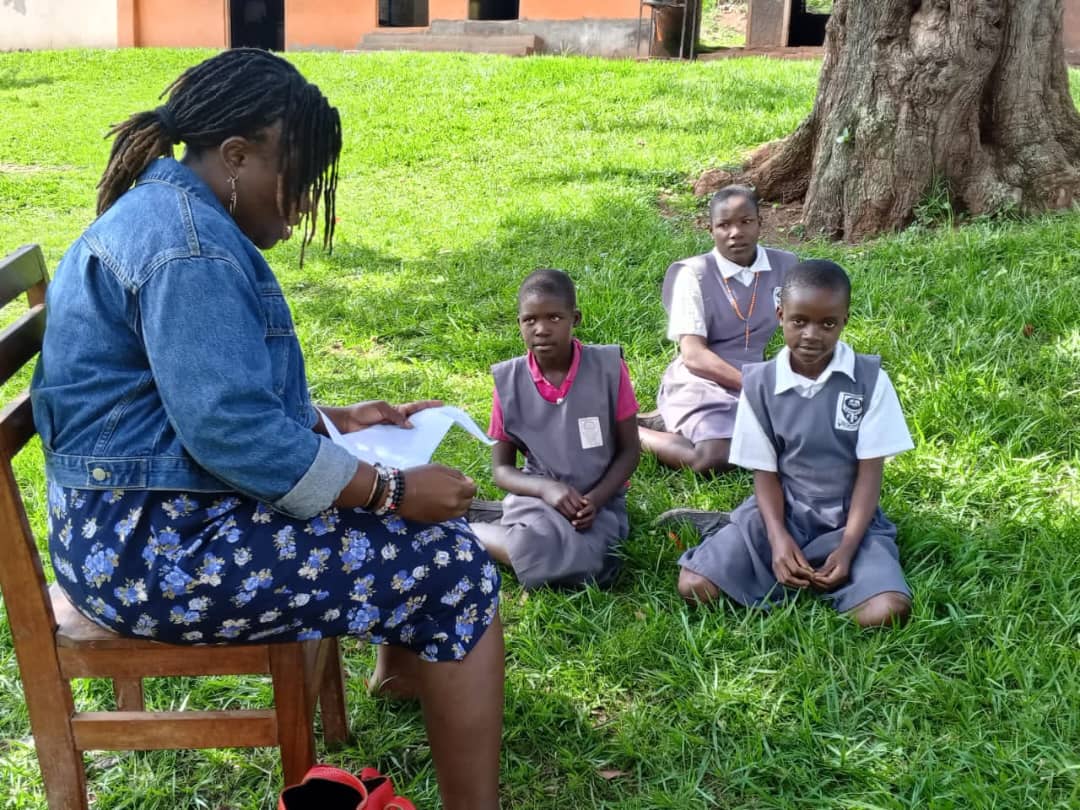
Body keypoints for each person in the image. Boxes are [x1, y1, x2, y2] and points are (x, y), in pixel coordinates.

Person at [30, 49, 502, 810]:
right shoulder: (191, 246)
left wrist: (335, 422)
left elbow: (186, 397)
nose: (309, 200)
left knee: (400, 527)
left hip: (118, 531)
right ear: (237, 157)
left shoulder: (174, 216)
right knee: (453, 569)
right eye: (303, 178)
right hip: (154, 557)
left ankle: (410, 673)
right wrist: (390, 489)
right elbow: (228, 429)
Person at [674, 260, 914, 628]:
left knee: (886, 611)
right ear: (780, 314)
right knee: (695, 585)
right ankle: (737, 533)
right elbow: (764, 472)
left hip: (849, 519)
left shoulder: (868, 380)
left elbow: (870, 474)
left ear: (845, 320)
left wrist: (848, 547)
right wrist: (778, 539)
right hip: (780, 512)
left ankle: (839, 569)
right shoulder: (760, 384)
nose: (811, 335)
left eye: (827, 323)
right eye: (799, 321)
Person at [467, 269, 641, 589]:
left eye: (554, 318)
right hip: (538, 499)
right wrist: (548, 489)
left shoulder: (607, 368)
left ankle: (495, 524)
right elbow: (502, 470)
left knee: (599, 565)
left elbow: (631, 450)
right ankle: (469, 531)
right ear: (519, 323)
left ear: (575, 318)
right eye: (529, 320)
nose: (542, 329)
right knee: (555, 555)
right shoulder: (509, 381)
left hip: (599, 501)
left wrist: (597, 499)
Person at [639, 185, 798, 482]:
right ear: (710, 229)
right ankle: (629, 432)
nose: (735, 232)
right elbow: (693, 355)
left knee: (794, 444)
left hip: (756, 375)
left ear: (760, 223)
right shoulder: (695, 274)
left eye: (745, 221)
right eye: (724, 225)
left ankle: (671, 422)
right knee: (715, 457)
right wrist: (754, 385)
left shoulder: (784, 266)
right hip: (701, 379)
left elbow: (801, 328)